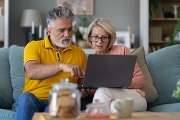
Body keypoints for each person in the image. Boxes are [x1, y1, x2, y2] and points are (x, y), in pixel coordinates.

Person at [15, 6, 89, 120]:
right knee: (25, 98)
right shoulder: (34, 46)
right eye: (61, 30)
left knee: (58, 105)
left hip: (61, 99)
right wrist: (61, 66)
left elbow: (82, 83)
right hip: (34, 98)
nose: (67, 34)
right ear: (49, 31)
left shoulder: (79, 53)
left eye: (69, 29)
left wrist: (84, 91)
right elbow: (31, 72)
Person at [86, 18, 147, 112]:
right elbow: (97, 95)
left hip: (134, 96)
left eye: (104, 37)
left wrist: (119, 84)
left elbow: (141, 80)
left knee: (103, 90)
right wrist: (89, 92)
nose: (99, 41)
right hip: (111, 99)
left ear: (110, 38)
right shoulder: (91, 61)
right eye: (95, 37)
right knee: (115, 107)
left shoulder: (122, 50)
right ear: (90, 37)